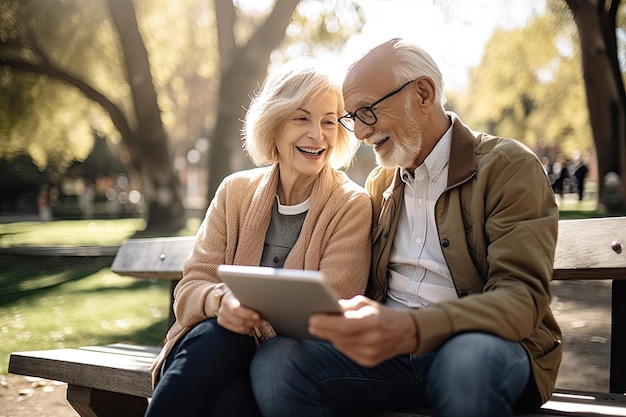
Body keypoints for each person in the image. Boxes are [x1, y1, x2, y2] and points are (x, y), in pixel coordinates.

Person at [250, 38, 562, 417]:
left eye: (367, 111)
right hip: (392, 358)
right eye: (352, 117)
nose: (360, 134)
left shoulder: (508, 168)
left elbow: (521, 300)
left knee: (465, 363)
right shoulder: (380, 186)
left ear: (423, 94)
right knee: (277, 362)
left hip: (484, 349)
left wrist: (412, 327)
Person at [144, 58, 373, 417]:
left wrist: (247, 321)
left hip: (285, 366)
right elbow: (190, 288)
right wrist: (222, 304)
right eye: (302, 118)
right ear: (274, 125)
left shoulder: (351, 205)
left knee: (231, 396)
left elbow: (332, 309)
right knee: (223, 337)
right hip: (215, 348)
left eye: (329, 121)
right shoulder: (234, 191)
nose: (318, 134)